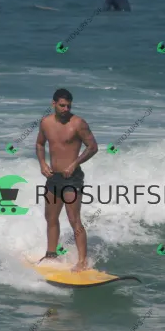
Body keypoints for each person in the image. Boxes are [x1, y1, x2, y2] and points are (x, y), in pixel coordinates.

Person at [36, 89, 99, 272]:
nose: (66, 109)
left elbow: (93, 147)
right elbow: (39, 144)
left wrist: (75, 163)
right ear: (53, 104)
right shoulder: (45, 122)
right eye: (62, 105)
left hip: (72, 178)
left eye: (68, 106)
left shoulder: (78, 123)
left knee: (74, 219)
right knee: (51, 217)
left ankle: (82, 261)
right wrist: (42, 163)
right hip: (53, 177)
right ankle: (51, 255)